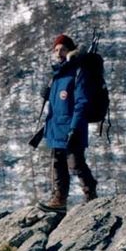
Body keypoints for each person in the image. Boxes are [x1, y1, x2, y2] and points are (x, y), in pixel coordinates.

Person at [38, 34, 97, 212]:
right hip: (56, 127)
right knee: (57, 165)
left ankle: (91, 196)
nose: (59, 53)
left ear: (70, 51)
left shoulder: (78, 72)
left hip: (72, 128)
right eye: (56, 50)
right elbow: (57, 102)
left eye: (62, 49)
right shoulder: (57, 74)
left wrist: (75, 128)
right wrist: (47, 92)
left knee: (76, 163)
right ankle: (59, 200)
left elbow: (81, 103)